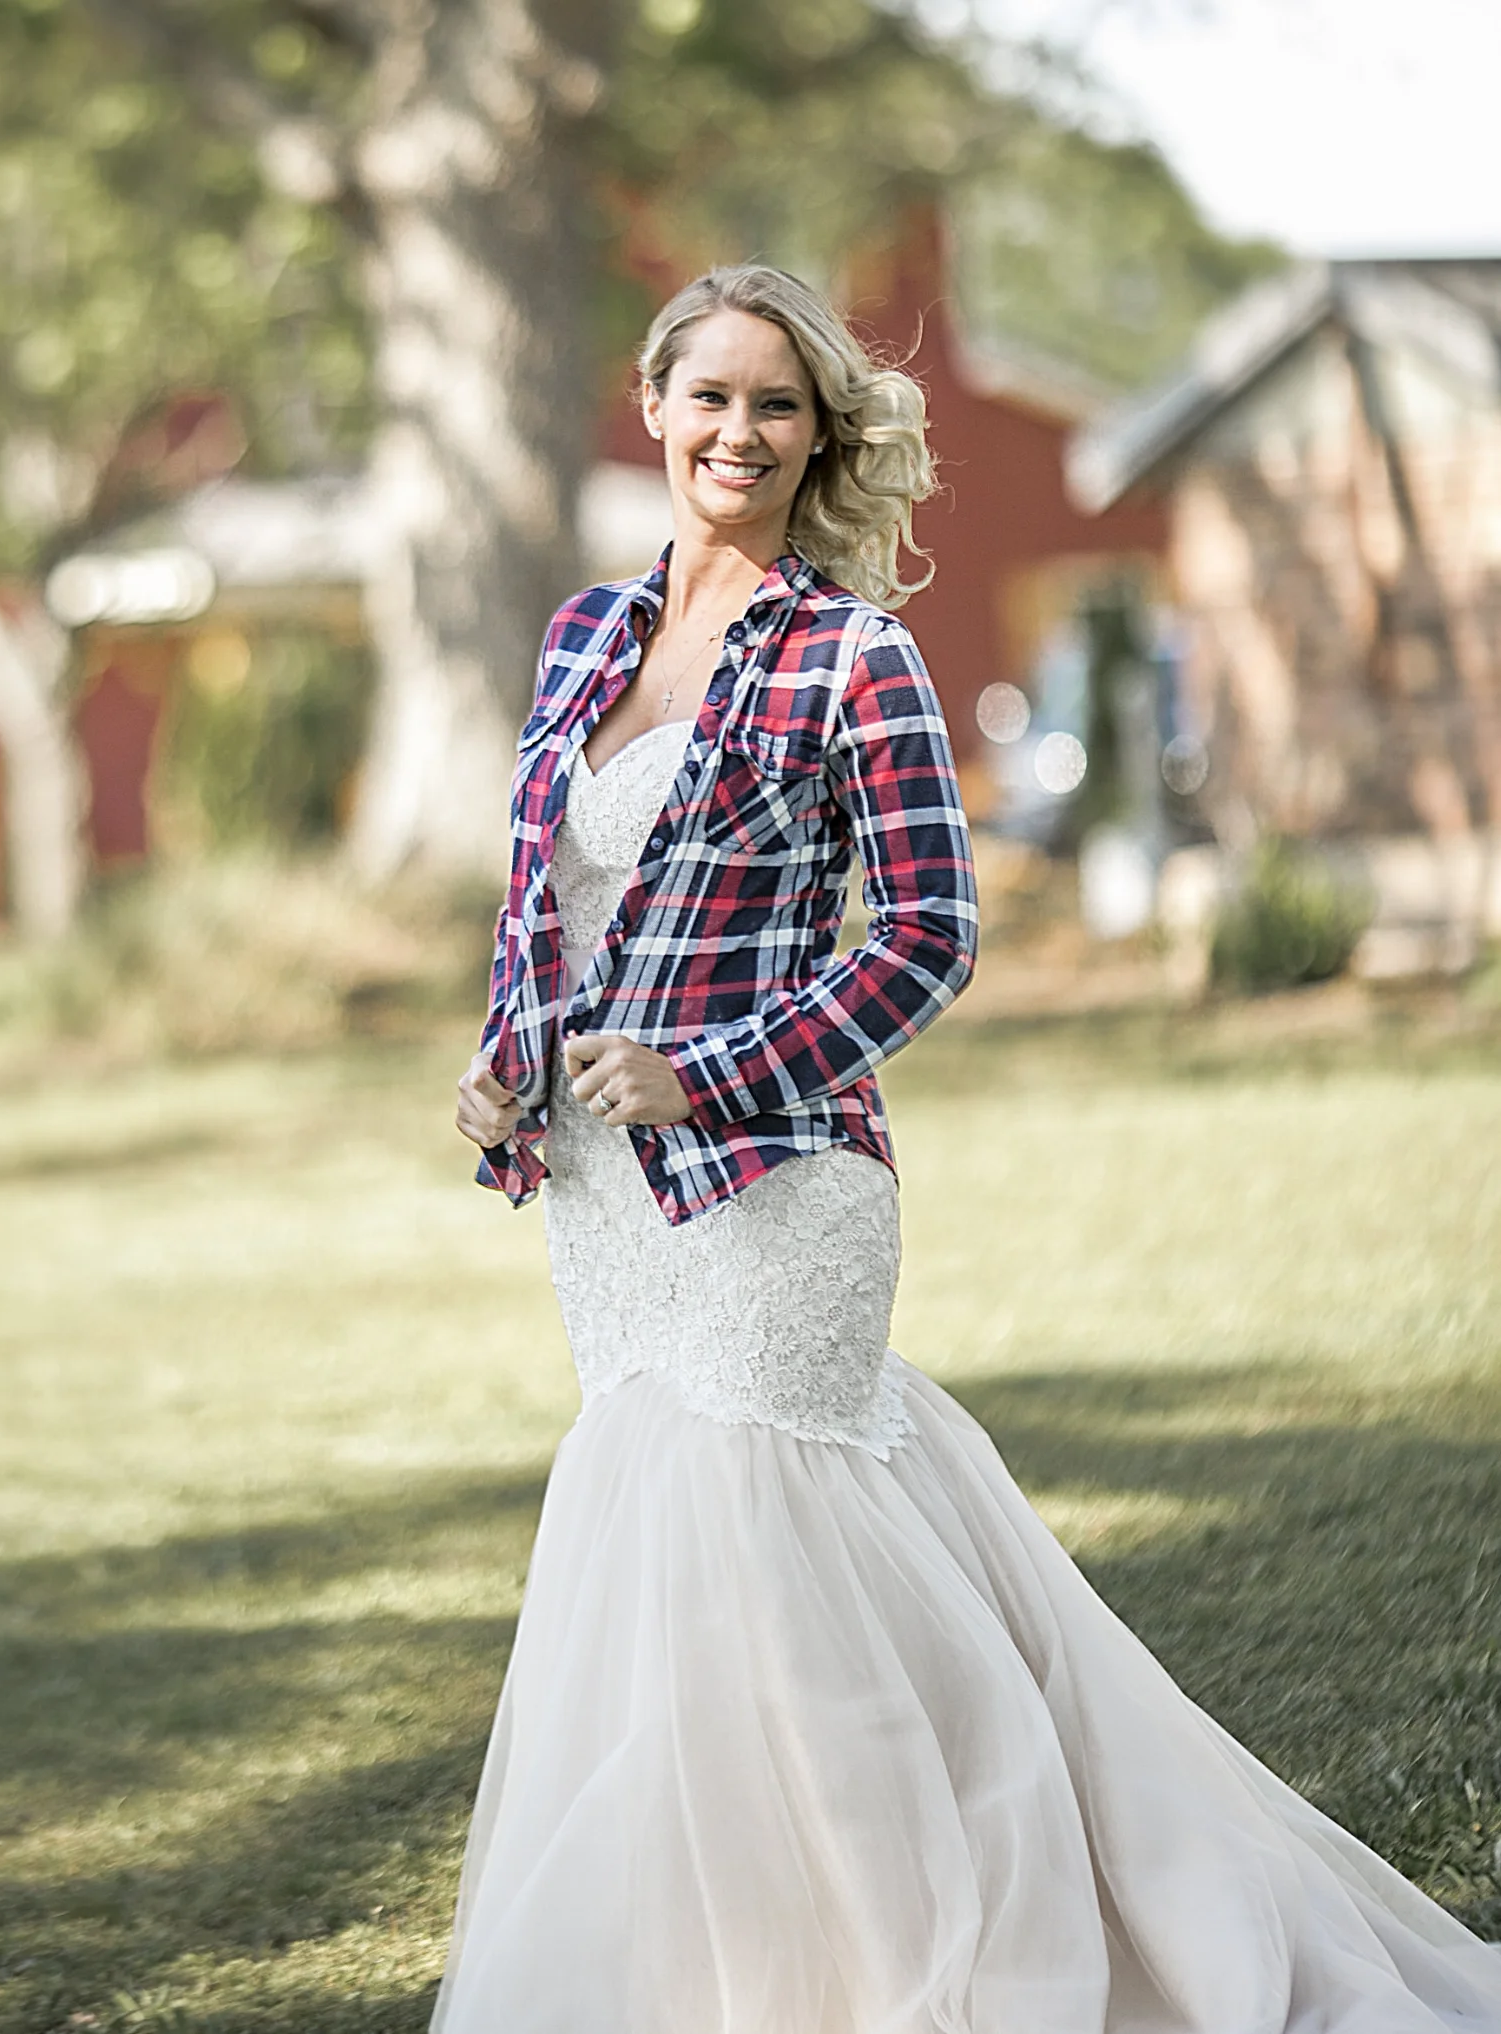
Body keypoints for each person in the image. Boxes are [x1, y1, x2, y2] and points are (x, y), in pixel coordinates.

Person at [445, 264, 1501, 2034]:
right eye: (710, 396)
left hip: (781, 1188)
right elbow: (550, 903)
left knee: (769, 1571)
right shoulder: (578, 641)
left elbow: (927, 932)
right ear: (652, 407)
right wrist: (502, 1074)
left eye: (778, 404)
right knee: (698, 1600)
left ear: (817, 435)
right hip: (604, 1204)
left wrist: (710, 1071)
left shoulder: (851, 654)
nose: (740, 432)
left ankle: (922, 1975)